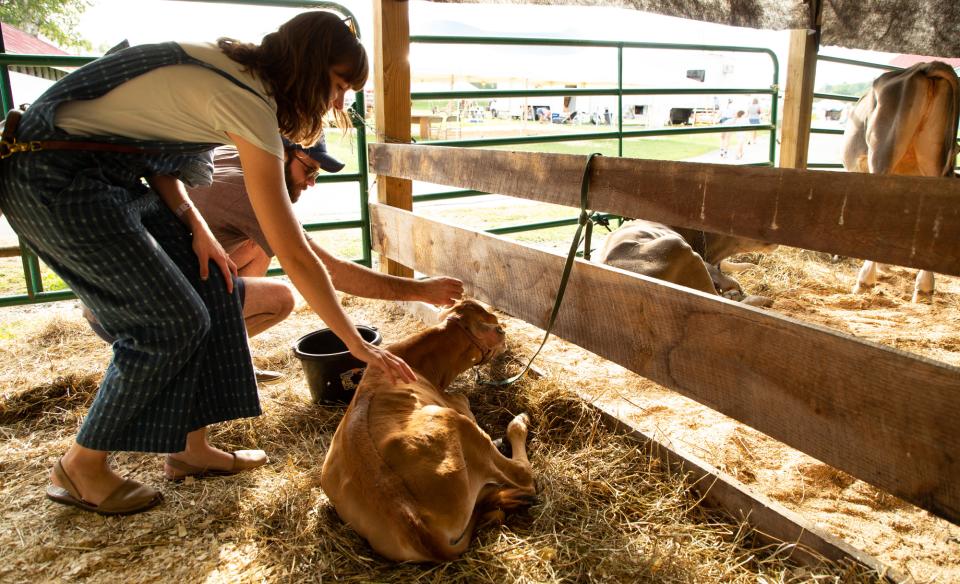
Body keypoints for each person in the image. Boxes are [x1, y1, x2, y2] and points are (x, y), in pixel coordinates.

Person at [0, 11, 461, 516]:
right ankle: (80, 466)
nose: (337, 104)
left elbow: (151, 153)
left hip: (104, 173)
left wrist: (193, 224)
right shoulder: (249, 103)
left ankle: (190, 449)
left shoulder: (238, 74)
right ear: (307, 67)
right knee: (171, 323)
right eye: (336, 85)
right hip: (52, 173)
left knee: (215, 285)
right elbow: (299, 257)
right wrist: (355, 343)